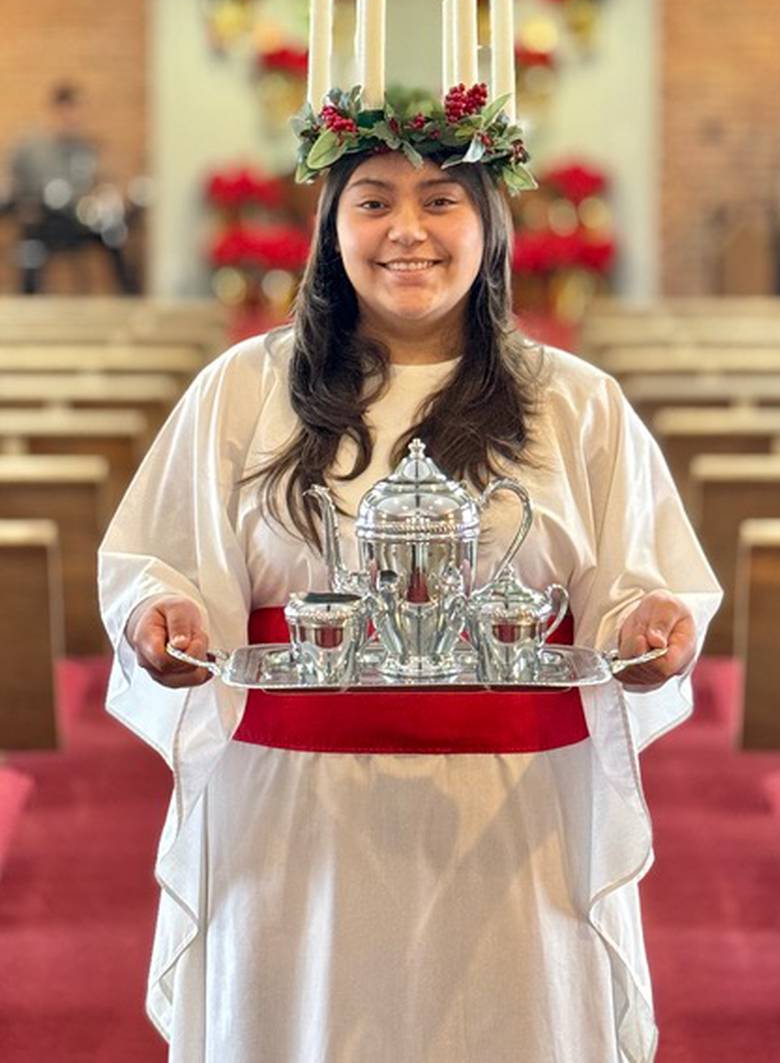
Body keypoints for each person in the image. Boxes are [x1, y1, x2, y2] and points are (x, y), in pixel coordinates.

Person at [99, 136, 722, 1061]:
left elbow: (632, 584)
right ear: (331, 228)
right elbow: (157, 559)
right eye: (374, 201)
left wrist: (647, 625)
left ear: (489, 226)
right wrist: (162, 613)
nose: (408, 231)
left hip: (511, 815)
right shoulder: (244, 388)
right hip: (294, 813)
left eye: (441, 202)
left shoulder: (575, 401)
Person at [7, 82, 139, 294]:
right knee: (30, 244)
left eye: (78, 110)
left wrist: (106, 195)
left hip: (80, 219)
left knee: (114, 233)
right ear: (57, 110)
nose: (74, 117)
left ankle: (129, 295)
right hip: (45, 221)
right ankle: (28, 300)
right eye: (69, 110)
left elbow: (102, 181)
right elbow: (15, 182)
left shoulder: (87, 148)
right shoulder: (31, 147)